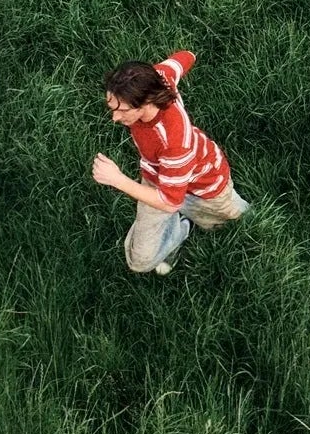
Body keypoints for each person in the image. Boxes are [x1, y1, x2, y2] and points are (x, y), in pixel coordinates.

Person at [92, 50, 248, 275]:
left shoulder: (174, 141)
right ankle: (178, 232)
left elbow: (169, 202)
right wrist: (192, 54)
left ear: (146, 103)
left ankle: (205, 212)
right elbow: (184, 58)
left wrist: (116, 179)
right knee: (140, 262)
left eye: (122, 111)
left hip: (204, 187)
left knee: (240, 224)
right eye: (112, 108)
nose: (115, 118)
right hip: (159, 178)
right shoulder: (158, 78)